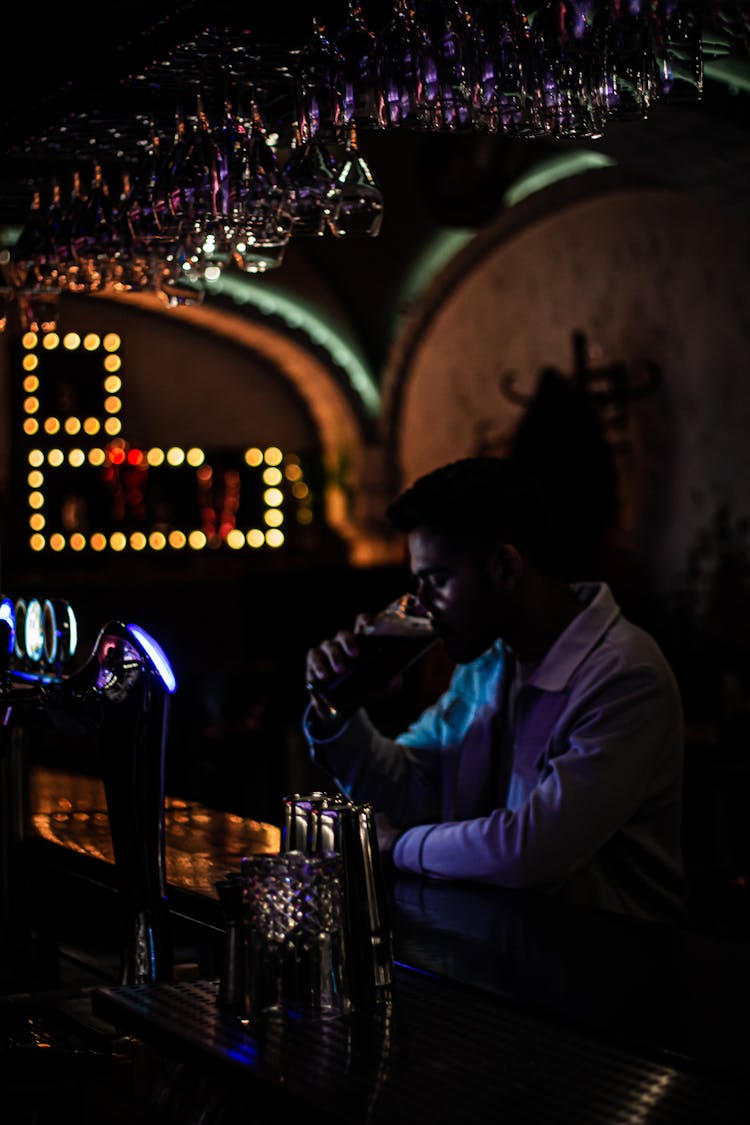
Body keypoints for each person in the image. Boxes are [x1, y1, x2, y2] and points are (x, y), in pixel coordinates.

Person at [303, 456, 689, 926]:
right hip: (509, 953)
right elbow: (411, 789)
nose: (422, 606)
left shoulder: (624, 676)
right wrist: (340, 709)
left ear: (505, 567)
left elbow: (531, 851)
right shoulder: (489, 661)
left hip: (617, 969)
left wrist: (397, 846)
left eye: (437, 581)